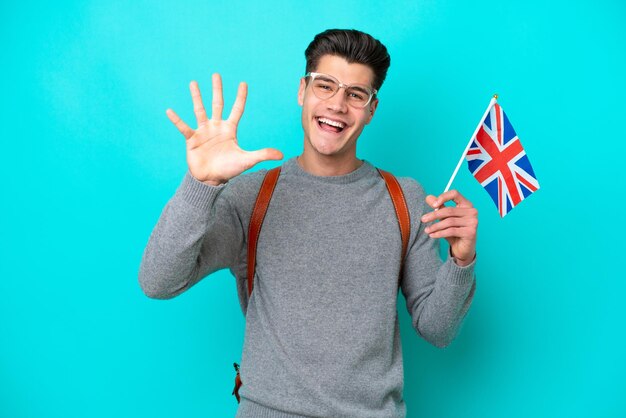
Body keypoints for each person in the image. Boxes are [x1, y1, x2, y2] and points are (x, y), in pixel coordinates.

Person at [139, 29, 478, 418]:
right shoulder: (252, 197)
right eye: (325, 85)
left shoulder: (404, 198)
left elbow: (438, 330)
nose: (337, 105)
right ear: (302, 91)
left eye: (355, 94)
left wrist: (461, 262)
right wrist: (202, 185)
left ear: (371, 109)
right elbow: (158, 281)